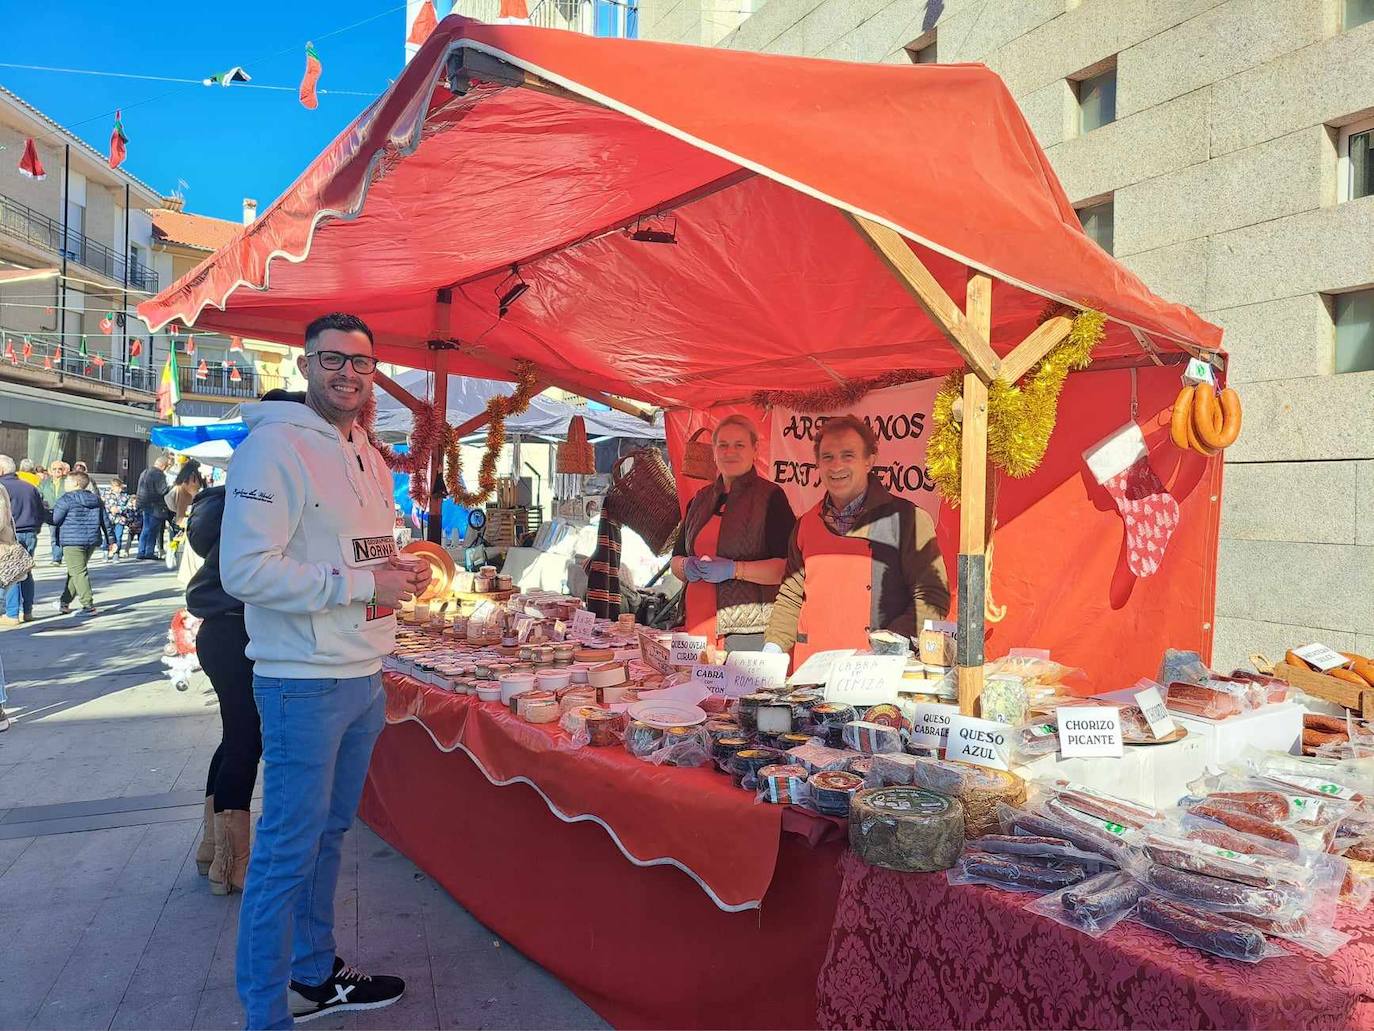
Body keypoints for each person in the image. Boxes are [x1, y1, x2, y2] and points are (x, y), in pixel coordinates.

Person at [221, 313, 429, 1028]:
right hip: (301, 681)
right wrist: (363, 586)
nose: (349, 373)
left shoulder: (366, 449)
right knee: (284, 850)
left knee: (331, 833)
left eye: (363, 363)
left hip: (363, 676)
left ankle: (316, 974)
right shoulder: (271, 448)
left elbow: (356, 553)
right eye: (334, 359)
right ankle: (262, 1012)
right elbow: (245, 568)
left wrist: (391, 572)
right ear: (307, 363)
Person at [764, 415, 950, 664]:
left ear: (869, 461)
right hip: (810, 675)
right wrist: (773, 647)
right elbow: (790, 595)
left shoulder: (909, 520)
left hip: (876, 673)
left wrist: (890, 643)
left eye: (848, 455)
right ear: (817, 464)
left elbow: (932, 595)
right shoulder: (806, 524)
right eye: (827, 457)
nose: (836, 466)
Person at [186, 478, 262, 896]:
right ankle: (231, 867)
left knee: (235, 738)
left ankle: (212, 849)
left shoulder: (235, 504)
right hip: (237, 634)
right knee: (245, 742)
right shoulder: (253, 509)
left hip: (221, 631)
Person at [670, 415, 795, 652]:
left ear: (755, 450)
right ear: (714, 452)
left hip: (746, 631)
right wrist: (686, 566)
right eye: (723, 445)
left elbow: (787, 568)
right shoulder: (700, 499)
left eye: (739, 445)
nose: (730, 452)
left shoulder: (770, 497)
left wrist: (735, 570)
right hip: (696, 623)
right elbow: (675, 560)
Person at [51, 471, 114, 616]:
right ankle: (64, 602)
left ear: (75, 483)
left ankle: (88, 605)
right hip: (91, 539)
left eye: (67, 481)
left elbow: (55, 519)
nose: (64, 483)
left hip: (72, 540)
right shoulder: (96, 499)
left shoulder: (65, 500)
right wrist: (111, 539)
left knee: (78, 572)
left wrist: (43, 513)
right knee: (76, 571)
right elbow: (105, 520)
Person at [0, 454, 49, 626]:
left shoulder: (2, 487)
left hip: (9, 535)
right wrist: (36, 528)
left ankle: (11, 613)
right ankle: (27, 611)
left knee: (10, 572)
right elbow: (41, 510)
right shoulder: (29, 487)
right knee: (24, 571)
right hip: (29, 532)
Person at [136, 455, 172, 560]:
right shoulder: (159, 474)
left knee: (145, 529)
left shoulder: (145, 472)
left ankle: (141, 551)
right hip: (155, 505)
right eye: (167, 466)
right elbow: (163, 491)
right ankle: (149, 552)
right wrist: (172, 487)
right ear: (163, 465)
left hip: (144, 503)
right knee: (152, 530)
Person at [42, 460, 69, 565]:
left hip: (65, 512)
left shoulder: (67, 482)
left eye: (60, 469)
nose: (57, 471)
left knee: (64, 535)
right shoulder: (45, 483)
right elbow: (38, 494)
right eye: (54, 469)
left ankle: (66, 556)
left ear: (63, 471)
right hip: (50, 513)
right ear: (50, 471)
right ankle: (56, 558)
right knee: (54, 536)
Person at [101, 477, 135, 560]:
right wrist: (110, 509)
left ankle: (116, 553)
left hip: (120, 519)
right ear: (112, 487)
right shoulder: (106, 494)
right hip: (108, 518)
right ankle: (106, 551)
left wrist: (119, 509)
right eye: (118, 487)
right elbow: (102, 505)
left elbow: (129, 506)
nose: (119, 489)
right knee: (108, 535)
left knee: (118, 536)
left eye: (121, 487)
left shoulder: (125, 496)